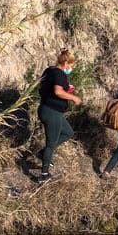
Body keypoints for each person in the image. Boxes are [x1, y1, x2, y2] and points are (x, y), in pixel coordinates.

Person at [37, 49, 82, 183]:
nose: (71, 68)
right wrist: (73, 98)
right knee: (51, 143)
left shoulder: (49, 70)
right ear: (66, 62)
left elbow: (51, 88)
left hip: (46, 108)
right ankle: (44, 174)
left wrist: (66, 88)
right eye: (71, 65)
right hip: (52, 111)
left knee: (68, 132)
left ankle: (43, 153)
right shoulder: (59, 74)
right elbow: (58, 91)